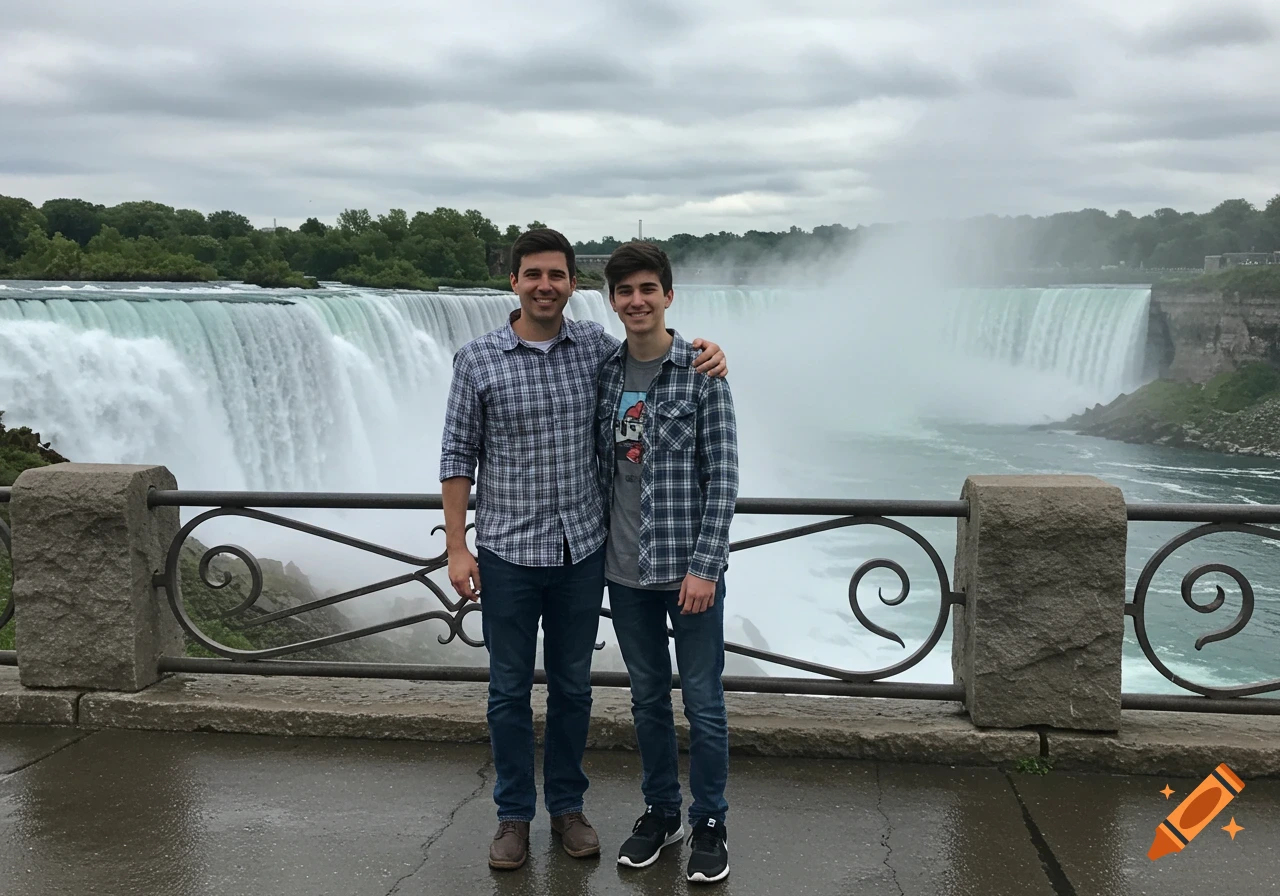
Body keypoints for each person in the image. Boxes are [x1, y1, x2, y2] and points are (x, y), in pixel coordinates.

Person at [438, 228, 727, 872]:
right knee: (509, 691)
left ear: (572, 284)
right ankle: (514, 817)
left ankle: (568, 808)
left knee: (573, 689)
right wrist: (457, 547)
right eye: (533, 274)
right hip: (509, 553)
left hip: (583, 553)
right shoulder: (477, 359)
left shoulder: (596, 350)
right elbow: (457, 457)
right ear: (513, 280)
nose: (546, 285)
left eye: (557, 275)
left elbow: (658, 352)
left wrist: (708, 350)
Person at [595, 241, 738, 884]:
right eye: (625, 292)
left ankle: (711, 821)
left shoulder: (703, 373)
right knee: (648, 700)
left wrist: (705, 567)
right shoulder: (604, 373)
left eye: (647, 289)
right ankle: (661, 812)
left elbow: (724, 477)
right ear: (612, 301)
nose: (636, 301)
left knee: (703, 702)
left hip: (689, 575)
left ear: (668, 295)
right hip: (624, 573)